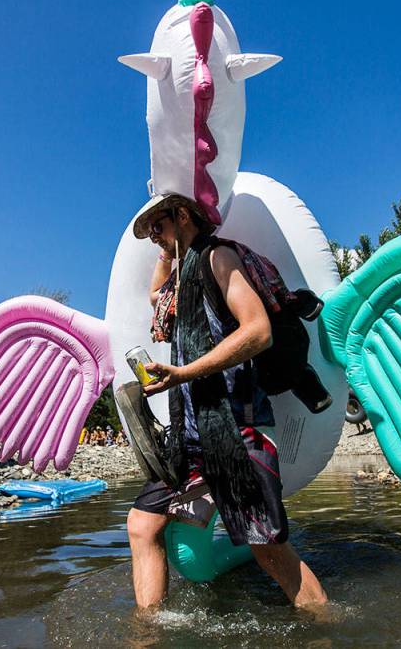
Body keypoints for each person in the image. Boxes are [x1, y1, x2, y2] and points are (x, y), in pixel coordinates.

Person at [124, 193, 327, 610]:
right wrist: (167, 248)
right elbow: (154, 295)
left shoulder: (219, 258)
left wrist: (183, 373)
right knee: (142, 525)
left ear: (182, 216)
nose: (155, 241)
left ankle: (328, 627)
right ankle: (147, 637)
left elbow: (258, 331)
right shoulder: (180, 280)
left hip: (235, 429)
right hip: (189, 437)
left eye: (159, 229)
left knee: (267, 548)